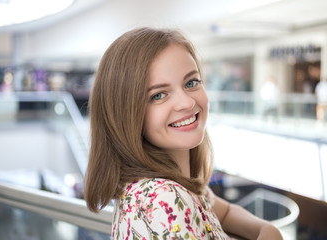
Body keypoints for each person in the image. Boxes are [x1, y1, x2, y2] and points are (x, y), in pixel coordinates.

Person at [84, 27, 283, 240]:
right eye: (158, 95)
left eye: (191, 83)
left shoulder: (172, 185)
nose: (187, 102)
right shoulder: (163, 199)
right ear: (126, 114)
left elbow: (224, 213)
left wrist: (268, 230)